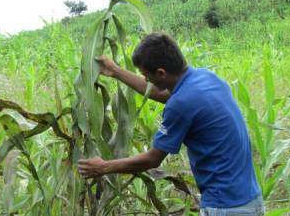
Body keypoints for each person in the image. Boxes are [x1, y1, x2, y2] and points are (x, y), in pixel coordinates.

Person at [77, 32, 264, 216]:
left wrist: (103, 167)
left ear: (161, 73)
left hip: (225, 207)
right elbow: (159, 93)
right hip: (251, 200)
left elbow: (153, 158)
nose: (146, 80)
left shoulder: (180, 104)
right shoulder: (206, 77)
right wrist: (115, 70)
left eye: (146, 75)